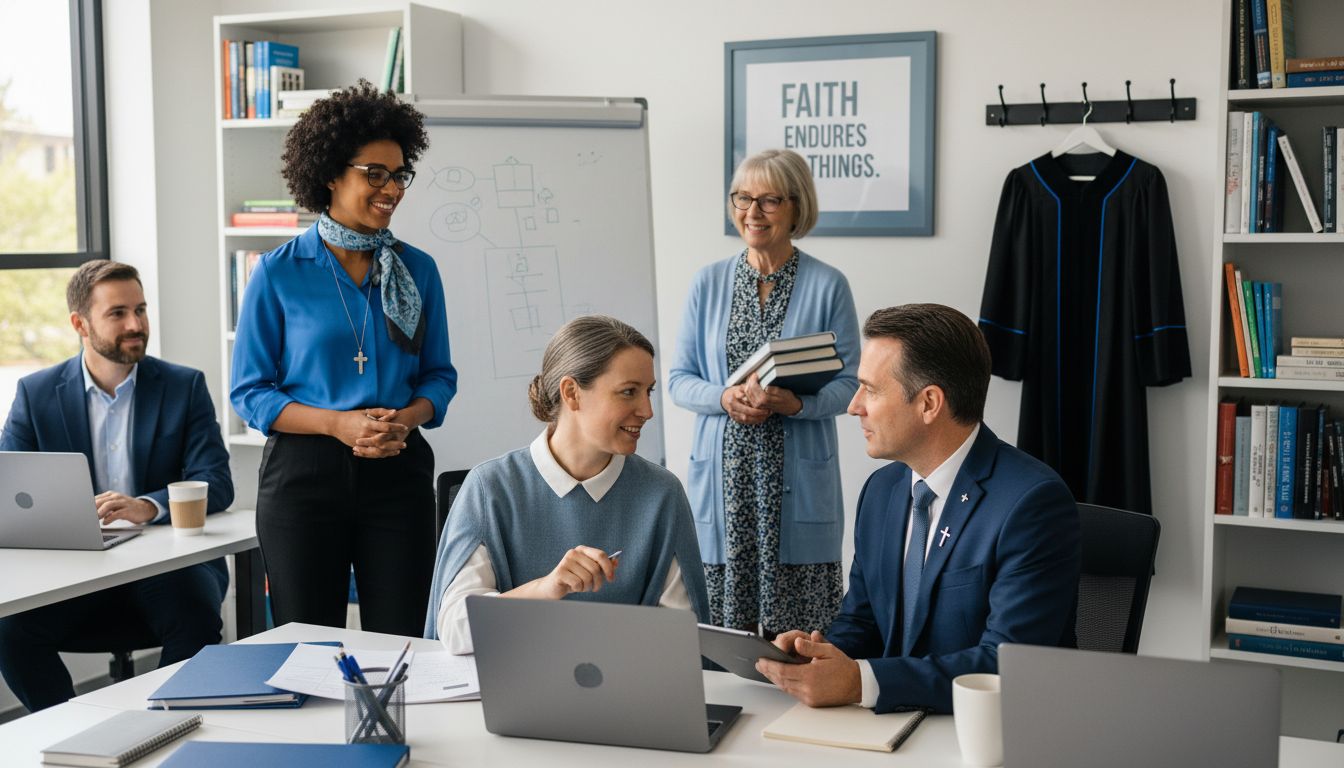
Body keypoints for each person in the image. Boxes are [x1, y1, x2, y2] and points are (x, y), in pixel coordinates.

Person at [755, 304, 1080, 714]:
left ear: (929, 403)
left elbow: (1004, 664)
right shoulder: (881, 490)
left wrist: (860, 683)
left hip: (993, 735)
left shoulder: (1032, 504)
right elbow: (864, 623)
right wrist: (816, 654)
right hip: (891, 728)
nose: (854, 406)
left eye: (870, 390)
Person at [231, 80, 456, 637]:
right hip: (303, 476)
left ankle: (396, 729)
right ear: (331, 173)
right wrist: (338, 424)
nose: (392, 188)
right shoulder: (279, 272)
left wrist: (403, 420)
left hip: (397, 467)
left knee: (402, 640)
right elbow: (250, 392)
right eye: (373, 174)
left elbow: (439, 376)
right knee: (306, 641)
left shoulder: (418, 270)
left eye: (399, 174)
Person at [0, 261, 233, 712]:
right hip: (74, 572)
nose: (136, 325)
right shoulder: (36, 393)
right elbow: (9, 489)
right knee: (9, 631)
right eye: (118, 313)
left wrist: (148, 505)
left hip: (167, 565)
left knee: (196, 615)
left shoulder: (183, 386)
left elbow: (216, 482)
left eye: (141, 310)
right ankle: (68, 732)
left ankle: (163, 725)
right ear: (79, 324)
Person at [425, 315, 709, 653]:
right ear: (572, 393)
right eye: (629, 392)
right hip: (512, 693)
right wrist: (547, 589)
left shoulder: (662, 493)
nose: (647, 410)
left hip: (630, 695)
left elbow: (681, 638)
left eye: (648, 392)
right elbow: (455, 629)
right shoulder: (490, 488)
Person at [668, 148, 859, 637]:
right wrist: (722, 398)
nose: (752, 213)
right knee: (723, 641)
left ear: (797, 206)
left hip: (795, 493)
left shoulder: (828, 285)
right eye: (742, 198)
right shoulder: (707, 283)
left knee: (800, 642)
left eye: (769, 200)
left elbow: (849, 384)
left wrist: (795, 404)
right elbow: (678, 380)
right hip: (726, 488)